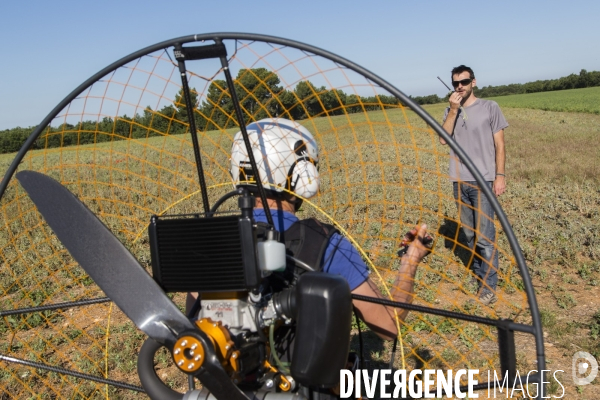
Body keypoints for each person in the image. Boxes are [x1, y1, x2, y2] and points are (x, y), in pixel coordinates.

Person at [187, 117, 431, 341]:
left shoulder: (209, 243)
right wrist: (411, 259)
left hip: (224, 387)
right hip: (304, 387)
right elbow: (389, 326)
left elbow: (191, 322)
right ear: (302, 172)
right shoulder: (325, 243)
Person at [439, 65, 508, 306]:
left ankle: (488, 286)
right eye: (456, 83)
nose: (460, 86)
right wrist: (453, 110)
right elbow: (442, 139)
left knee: (484, 236)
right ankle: (481, 273)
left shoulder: (490, 107)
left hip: (483, 180)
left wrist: (500, 175)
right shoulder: (450, 110)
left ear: (474, 82)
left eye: (464, 82)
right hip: (458, 179)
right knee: (469, 234)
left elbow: (500, 144)